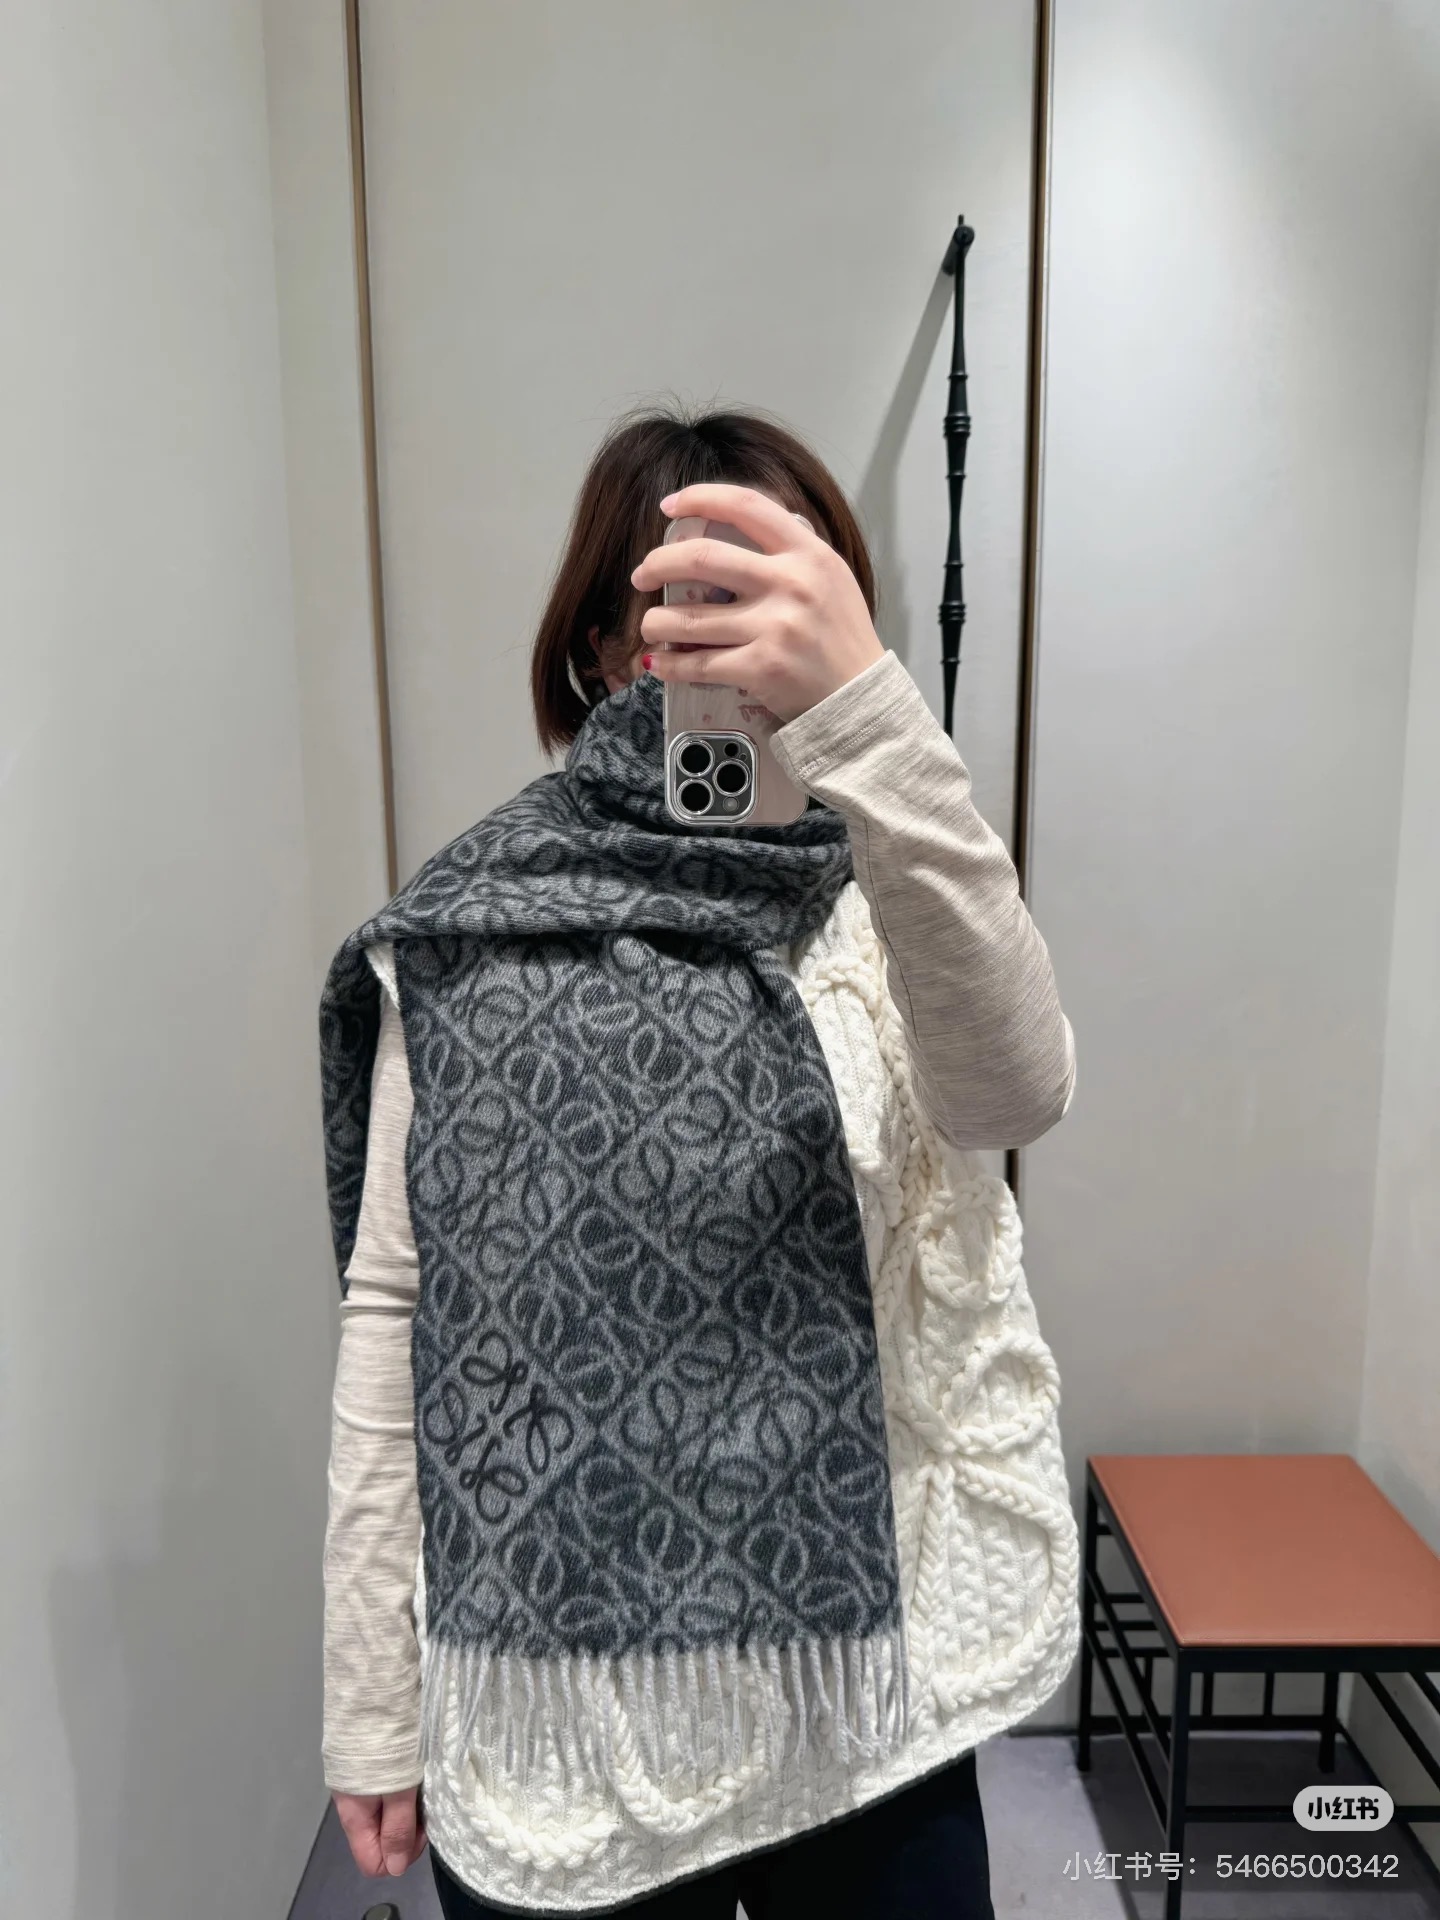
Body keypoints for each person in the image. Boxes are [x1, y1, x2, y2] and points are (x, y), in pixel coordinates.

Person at [317, 403, 1080, 1918]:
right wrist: (369, 1693)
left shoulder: (902, 886)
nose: (737, 652)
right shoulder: (476, 931)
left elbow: (1014, 1093)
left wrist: (872, 720)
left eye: (781, 600)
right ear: (606, 649)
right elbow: (400, 1311)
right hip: (570, 1699)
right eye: (689, 609)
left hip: (867, 1676)